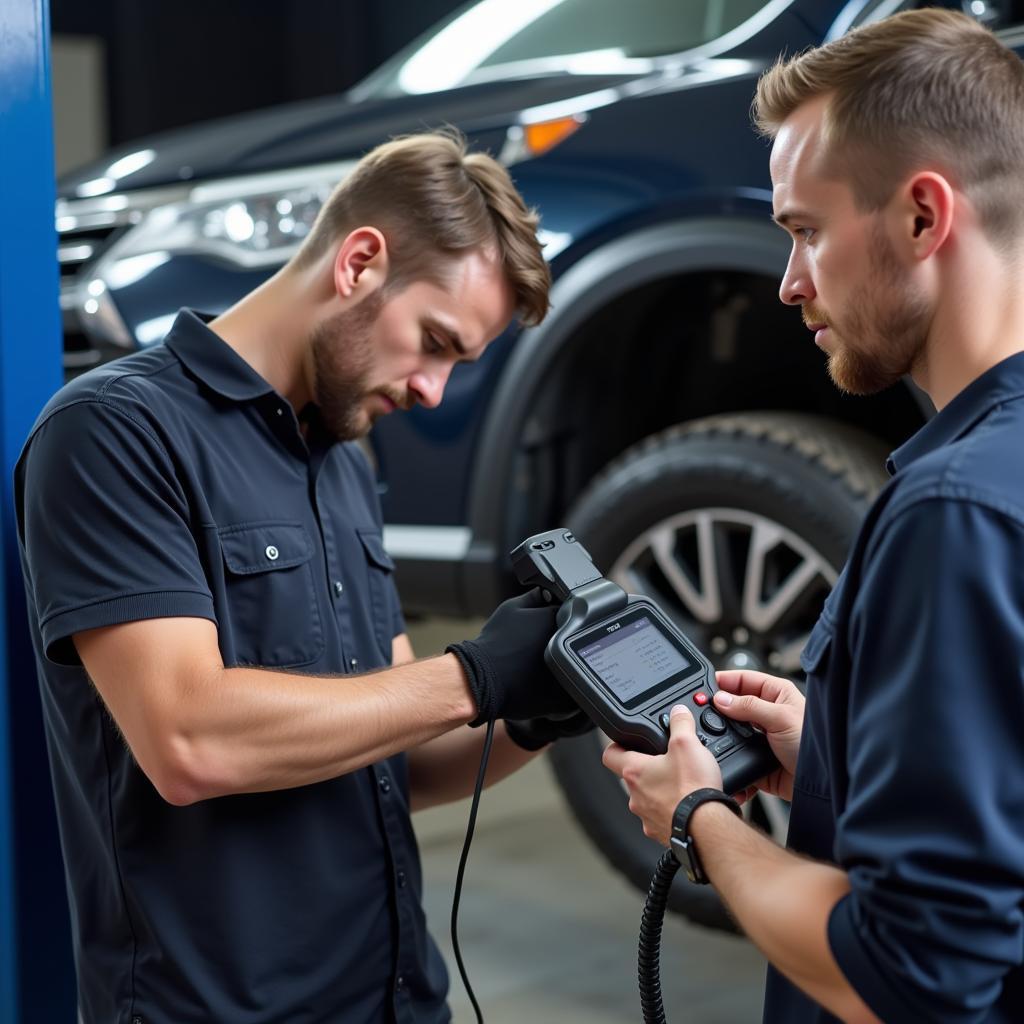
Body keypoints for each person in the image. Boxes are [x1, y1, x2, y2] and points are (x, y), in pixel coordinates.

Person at [15, 131, 584, 1024]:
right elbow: (188, 741)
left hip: (394, 999)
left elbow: (397, 757)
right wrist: (473, 674)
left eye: (456, 362)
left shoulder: (347, 458)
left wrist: (536, 708)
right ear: (360, 262)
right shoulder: (113, 436)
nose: (433, 389)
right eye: (433, 341)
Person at [602, 9, 1024, 1023]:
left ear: (924, 217)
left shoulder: (951, 512)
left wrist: (699, 818)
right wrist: (838, 756)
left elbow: (910, 975)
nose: (790, 282)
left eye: (804, 230)